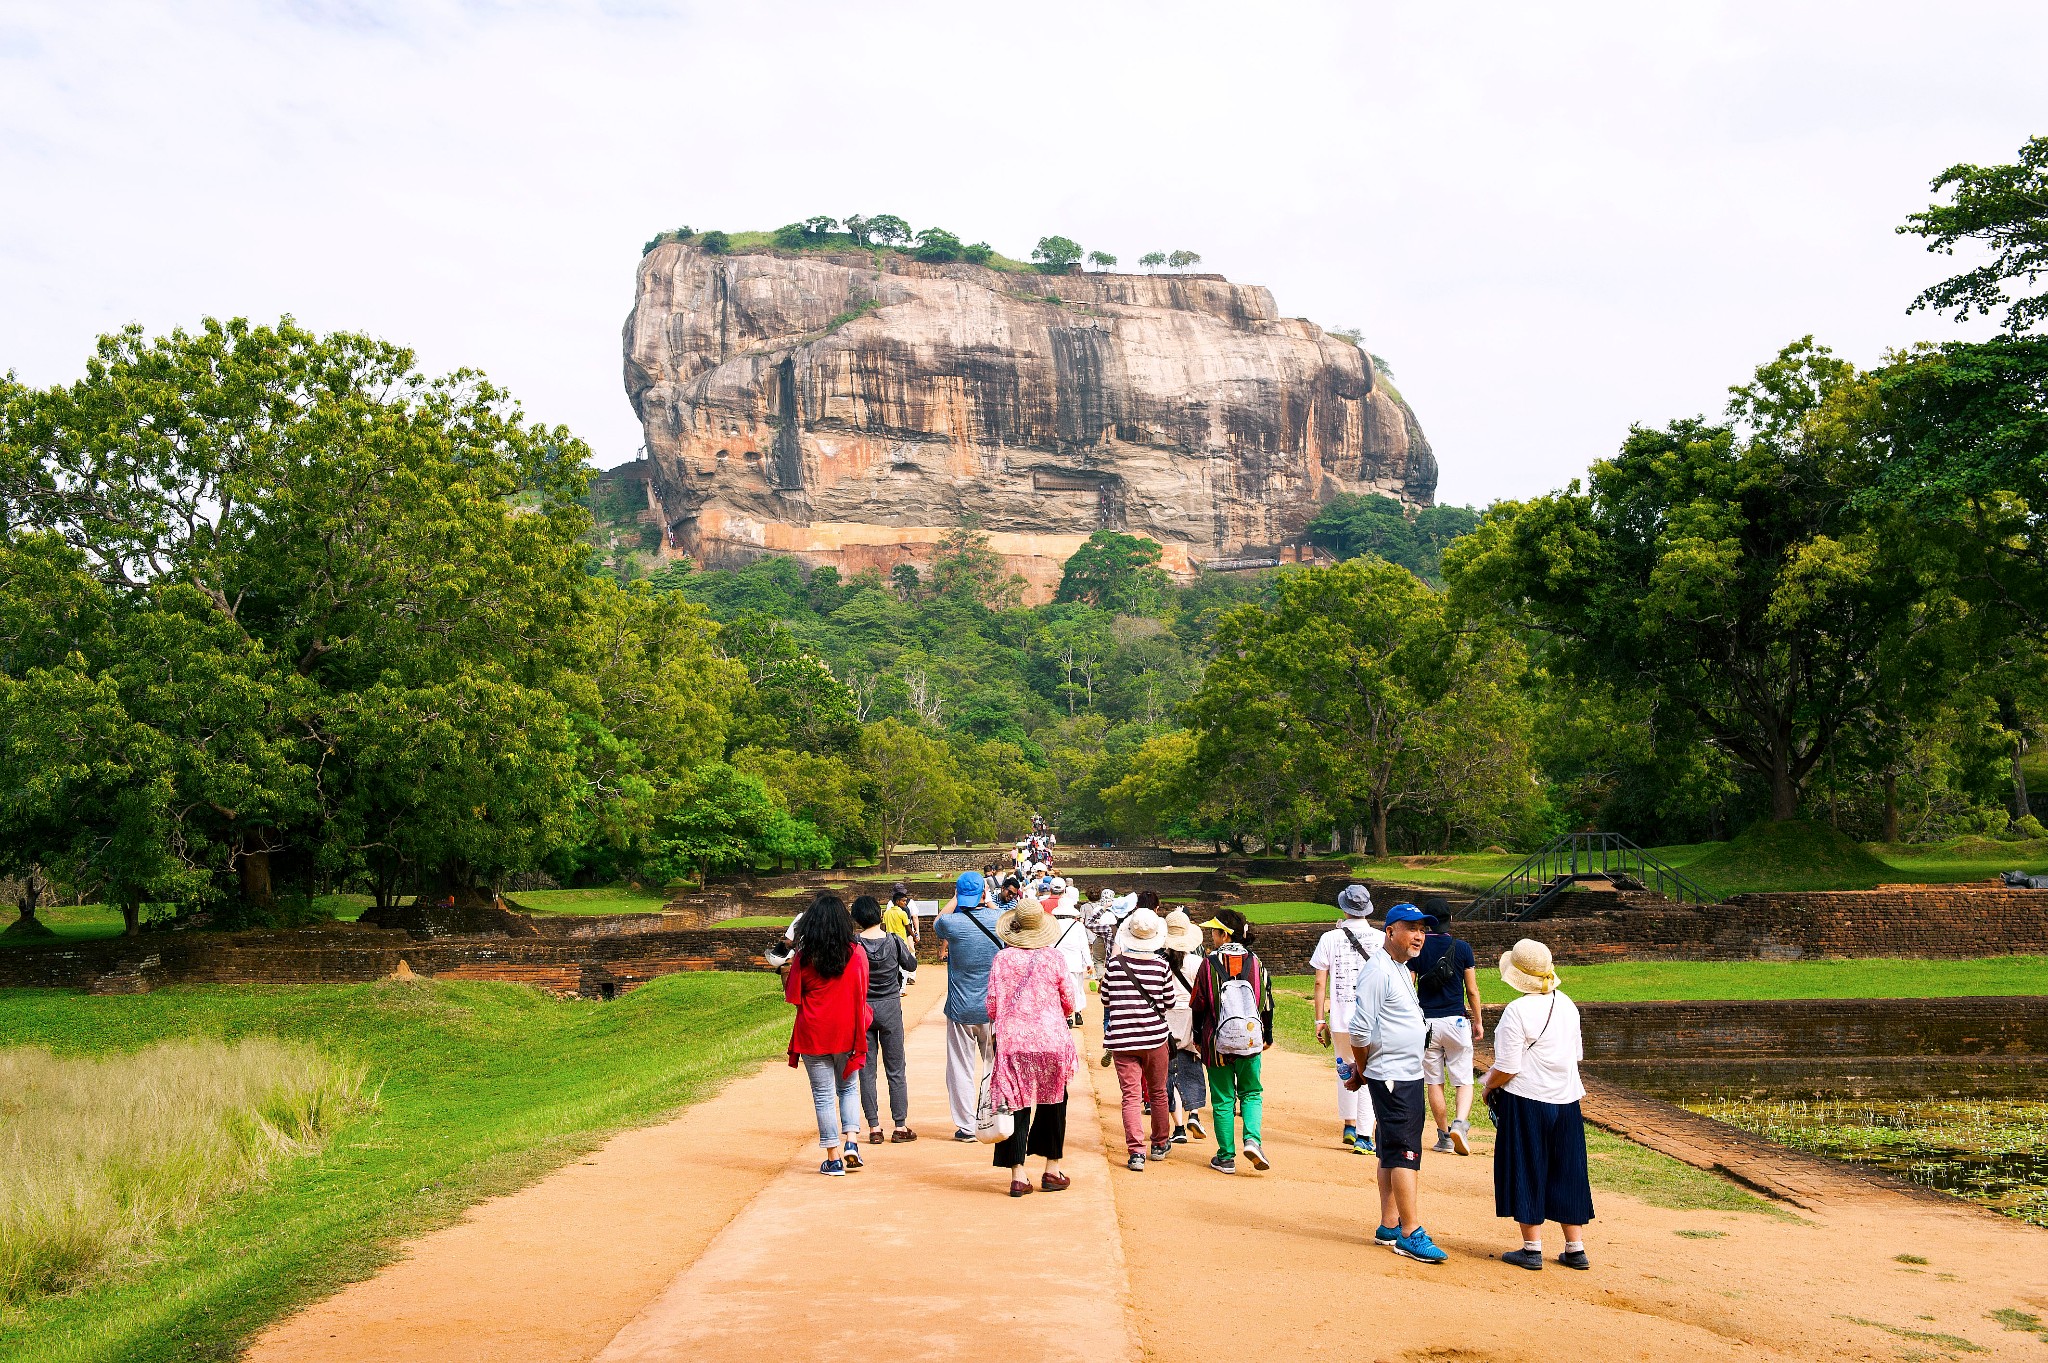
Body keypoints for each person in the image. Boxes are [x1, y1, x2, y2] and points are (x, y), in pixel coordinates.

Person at [1345, 903, 1447, 1263]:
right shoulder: (1378, 971)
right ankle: (1410, 1232)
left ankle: (1390, 1223)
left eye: (1422, 929)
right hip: (1390, 1075)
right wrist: (1364, 1069)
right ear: (1390, 931)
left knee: (1392, 1146)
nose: (1419, 935)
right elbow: (1359, 1030)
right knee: (1406, 1151)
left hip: (1403, 1073)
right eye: (1411, 928)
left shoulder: (1400, 968)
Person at [1485, 938, 1593, 1271]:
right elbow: (1576, 1055)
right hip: (1566, 1099)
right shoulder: (1568, 1005)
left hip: (1527, 1098)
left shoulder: (1517, 1011)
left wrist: (1488, 1087)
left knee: (1527, 1166)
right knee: (1568, 1169)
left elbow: (1507, 1066)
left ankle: (1532, 1247)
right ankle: (1575, 1248)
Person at [986, 897, 1080, 1196]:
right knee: (1054, 1102)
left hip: (1013, 1042)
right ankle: (1052, 1169)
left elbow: (991, 1005)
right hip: (1051, 1040)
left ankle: (1018, 1173)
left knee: (1015, 1102)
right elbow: (1069, 1002)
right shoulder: (1054, 958)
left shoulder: (1002, 959)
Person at [782, 893, 871, 1177]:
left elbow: (794, 996)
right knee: (848, 1088)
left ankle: (832, 1158)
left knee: (823, 1096)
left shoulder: (805, 958)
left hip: (814, 1032)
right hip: (846, 1030)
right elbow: (862, 991)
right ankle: (852, 1143)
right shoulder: (856, 954)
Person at [1189, 909, 1275, 1174]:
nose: (1211, 936)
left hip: (1217, 1042)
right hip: (1250, 1039)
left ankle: (1226, 1156)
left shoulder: (1209, 964)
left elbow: (1199, 1005)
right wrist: (1267, 1035)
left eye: (1214, 932)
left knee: (1223, 1099)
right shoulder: (1255, 962)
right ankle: (1252, 1140)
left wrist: (1197, 1037)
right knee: (1251, 1092)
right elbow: (1266, 1002)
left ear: (1224, 935)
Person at [1310, 883, 1386, 1154]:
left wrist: (1320, 1019)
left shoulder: (1330, 937)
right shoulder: (1380, 939)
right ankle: (1365, 1135)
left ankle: (1350, 1125)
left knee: (1345, 1067)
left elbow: (1321, 982)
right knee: (1369, 1071)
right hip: (1372, 1017)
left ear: (1344, 907)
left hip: (1342, 1017)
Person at [1100, 906, 1176, 1170]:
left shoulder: (1115, 966)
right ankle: (1159, 1143)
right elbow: (1168, 1002)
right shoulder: (1161, 966)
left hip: (1123, 1039)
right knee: (1157, 1092)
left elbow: (1105, 999)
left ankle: (1136, 1152)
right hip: (1155, 1038)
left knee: (1131, 1096)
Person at [933, 870, 1005, 1142]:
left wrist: (954, 897)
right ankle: (996, 1117)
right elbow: (1008, 921)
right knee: (994, 1066)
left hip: (961, 1009)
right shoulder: (998, 919)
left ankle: (966, 1126)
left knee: (960, 1068)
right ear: (983, 894)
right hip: (992, 1008)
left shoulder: (952, 924)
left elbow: (938, 921)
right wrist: (988, 902)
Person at [1408, 899, 1482, 1156]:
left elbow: (1409, 987)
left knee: (1434, 1081)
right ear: (1450, 917)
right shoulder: (1462, 948)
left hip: (1428, 1022)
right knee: (1463, 1079)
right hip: (1457, 1021)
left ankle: (1443, 1137)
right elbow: (1471, 990)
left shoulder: (1419, 946)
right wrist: (1479, 1021)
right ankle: (1460, 1124)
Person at [852, 895, 919, 1145]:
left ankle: (874, 1126)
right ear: (880, 916)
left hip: (864, 1008)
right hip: (890, 1005)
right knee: (896, 1068)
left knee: (866, 1070)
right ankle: (900, 1125)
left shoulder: (855, 944)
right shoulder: (893, 940)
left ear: (856, 919)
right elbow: (910, 964)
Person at [1160, 908, 1208, 1144]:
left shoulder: (1159, 963)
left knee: (1169, 1074)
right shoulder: (1198, 963)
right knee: (1192, 1068)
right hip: (1192, 1018)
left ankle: (1178, 1127)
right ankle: (1194, 1113)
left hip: (1167, 1019)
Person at [1050, 883, 1092, 1028]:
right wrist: (1089, 963)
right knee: (1077, 988)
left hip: (1058, 963)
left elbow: (1049, 945)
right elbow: (1084, 946)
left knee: (1062, 990)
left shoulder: (1053, 925)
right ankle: (1078, 1012)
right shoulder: (1078, 926)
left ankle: (1067, 1015)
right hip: (1075, 962)